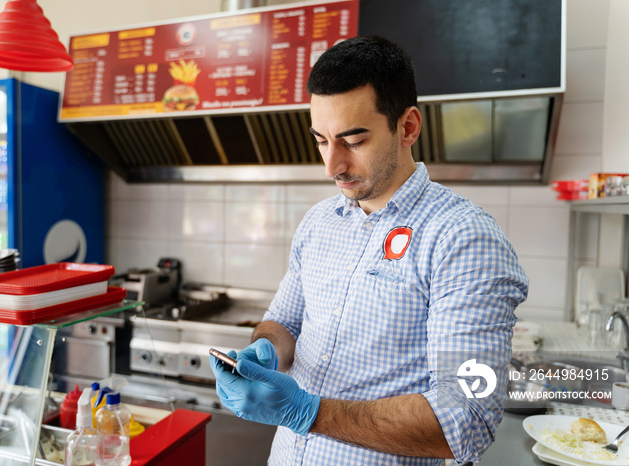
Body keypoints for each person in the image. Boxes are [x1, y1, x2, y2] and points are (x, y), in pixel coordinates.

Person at [210, 35, 529, 466]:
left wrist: (307, 412)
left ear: (408, 127)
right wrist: (263, 352)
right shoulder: (320, 222)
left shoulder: (463, 238)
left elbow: (468, 415)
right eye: (321, 139)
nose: (331, 165)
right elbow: (283, 322)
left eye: (353, 141)